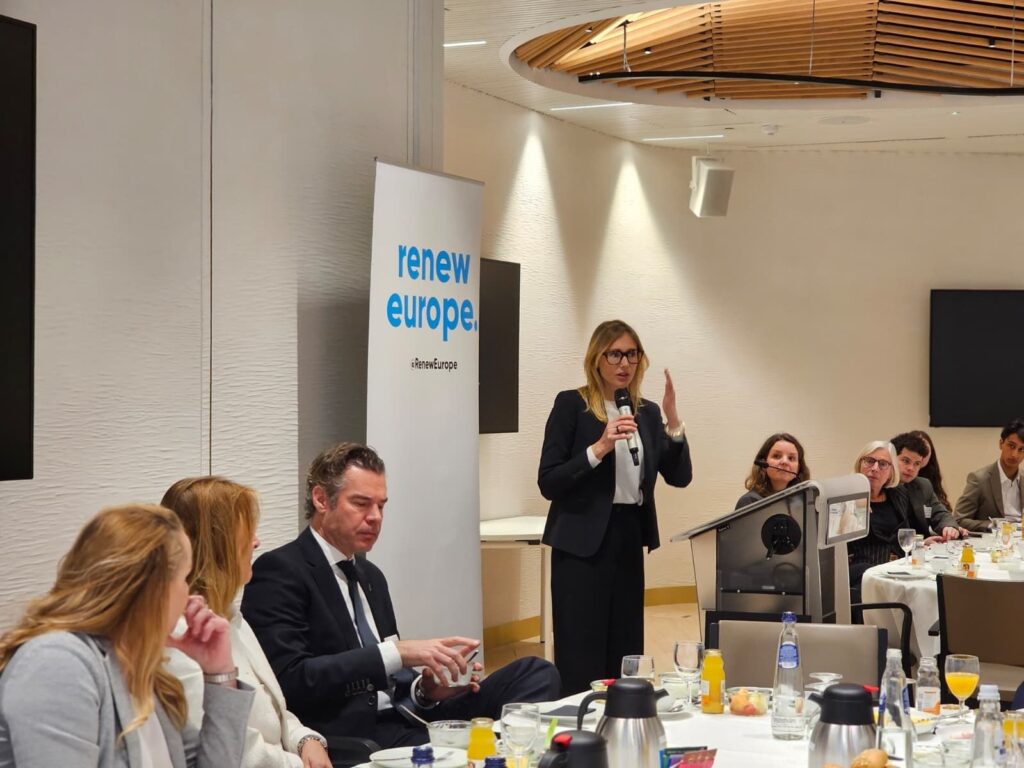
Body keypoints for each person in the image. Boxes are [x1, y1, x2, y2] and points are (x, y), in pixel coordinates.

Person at [241, 443, 560, 750]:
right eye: (361, 504)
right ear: (321, 499)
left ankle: (497, 750)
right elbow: (291, 680)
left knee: (535, 671)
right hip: (360, 733)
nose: (375, 517)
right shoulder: (282, 570)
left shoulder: (370, 576)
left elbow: (396, 680)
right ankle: (492, 750)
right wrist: (397, 652)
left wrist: (427, 690)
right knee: (480, 740)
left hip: (411, 719)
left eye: (381, 506)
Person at [0, 504, 254, 768]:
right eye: (184, 578)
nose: (192, 595)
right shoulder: (56, 663)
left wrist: (219, 674)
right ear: (153, 589)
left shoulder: (141, 673)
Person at [538, 319, 693, 696]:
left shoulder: (647, 412)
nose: (624, 363)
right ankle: (579, 716)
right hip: (580, 542)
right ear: (597, 358)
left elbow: (680, 477)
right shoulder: (572, 405)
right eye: (615, 354)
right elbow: (549, 481)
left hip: (628, 535)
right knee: (581, 645)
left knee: (625, 644)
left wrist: (673, 423)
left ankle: (622, 714)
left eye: (632, 355)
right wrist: (599, 448)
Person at [161, 476, 334, 768]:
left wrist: (304, 737)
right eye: (247, 532)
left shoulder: (230, 616)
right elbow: (229, 748)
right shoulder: (180, 636)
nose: (256, 542)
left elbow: (273, 709)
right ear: (217, 544)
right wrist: (296, 763)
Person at [847, 441, 940, 591]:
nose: (875, 468)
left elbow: (900, 536)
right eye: (869, 461)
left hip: (896, 570)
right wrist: (851, 507)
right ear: (859, 464)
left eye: (883, 464)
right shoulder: (847, 498)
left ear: (891, 471)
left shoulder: (898, 495)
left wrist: (919, 544)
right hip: (863, 575)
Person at [890, 432, 966, 540]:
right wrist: (919, 543)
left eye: (917, 463)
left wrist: (949, 527)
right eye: (906, 461)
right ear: (892, 458)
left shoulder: (923, 485)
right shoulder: (880, 488)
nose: (911, 468)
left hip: (923, 547)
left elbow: (940, 513)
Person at [954, 418, 1024, 531]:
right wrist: (992, 526)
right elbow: (959, 519)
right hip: (994, 538)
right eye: (1011, 446)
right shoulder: (979, 479)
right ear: (1001, 443)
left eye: (1022, 449)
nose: (1015, 454)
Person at [735, 433, 810, 509]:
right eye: (776, 456)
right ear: (763, 464)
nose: (785, 462)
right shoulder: (750, 501)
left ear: (798, 468)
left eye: (791, 458)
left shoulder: (805, 501)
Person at [911, 429, 952, 510]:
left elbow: (942, 510)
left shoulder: (931, 476)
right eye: (917, 450)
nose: (921, 455)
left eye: (925, 450)